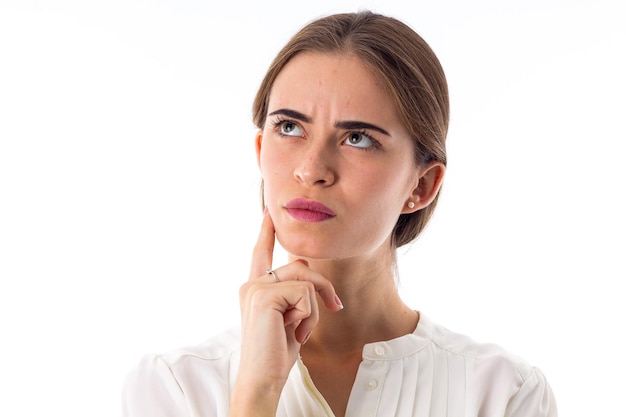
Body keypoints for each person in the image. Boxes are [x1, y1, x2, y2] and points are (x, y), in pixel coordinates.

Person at [122, 10, 557, 417]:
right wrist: (256, 392)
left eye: (358, 138)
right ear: (260, 150)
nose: (311, 170)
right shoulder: (175, 386)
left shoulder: (503, 395)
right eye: (289, 127)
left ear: (421, 185)